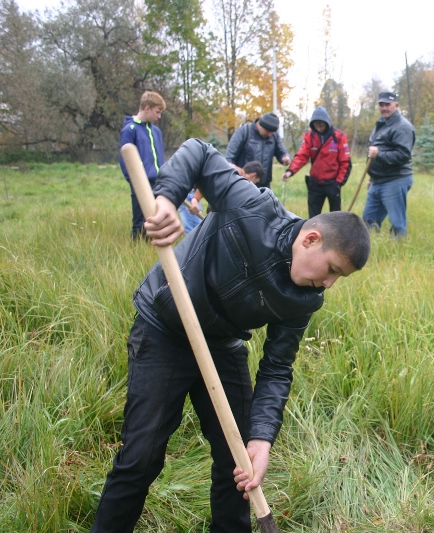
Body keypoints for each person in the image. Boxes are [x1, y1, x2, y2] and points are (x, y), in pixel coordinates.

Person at [91, 139, 371, 532]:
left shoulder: (304, 300)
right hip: (165, 328)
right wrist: (168, 201)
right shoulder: (252, 208)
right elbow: (199, 154)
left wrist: (261, 438)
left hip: (221, 345)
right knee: (141, 457)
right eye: (331, 270)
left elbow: (277, 368)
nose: (327, 284)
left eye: (338, 278)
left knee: (238, 462)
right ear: (310, 239)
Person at [361, 91, 415, 238]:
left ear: (396, 106)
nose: (384, 108)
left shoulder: (402, 127)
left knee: (397, 223)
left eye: (387, 104)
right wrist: (373, 178)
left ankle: (400, 251)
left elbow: (403, 155)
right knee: (367, 220)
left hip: (395, 180)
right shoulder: (382, 123)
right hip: (378, 181)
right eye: (381, 104)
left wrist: (379, 153)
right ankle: (367, 251)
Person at [281, 107, 352, 218]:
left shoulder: (339, 136)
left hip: (332, 183)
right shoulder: (310, 136)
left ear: (327, 123)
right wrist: (290, 171)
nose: (318, 128)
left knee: (336, 217)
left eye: (321, 125)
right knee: (313, 218)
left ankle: (334, 235)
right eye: (315, 125)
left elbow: (345, 162)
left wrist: (338, 183)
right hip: (315, 183)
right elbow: (302, 156)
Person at [119, 91, 166, 239]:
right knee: (140, 223)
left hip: (158, 183)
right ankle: (137, 251)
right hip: (140, 183)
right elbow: (125, 160)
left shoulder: (156, 131)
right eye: (157, 112)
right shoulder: (130, 130)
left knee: (157, 221)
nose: (159, 117)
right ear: (147, 108)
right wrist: (136, 181)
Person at [226, 112, 291, 188]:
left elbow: (281, 152)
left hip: (264, 185)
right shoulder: (244, 132)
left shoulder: (274, 136)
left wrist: (285, 157)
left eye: (272, 132)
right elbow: (229, 158)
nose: (270, 135)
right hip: (243, 184)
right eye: (268, 131)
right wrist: (237, 171)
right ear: (260, 125)